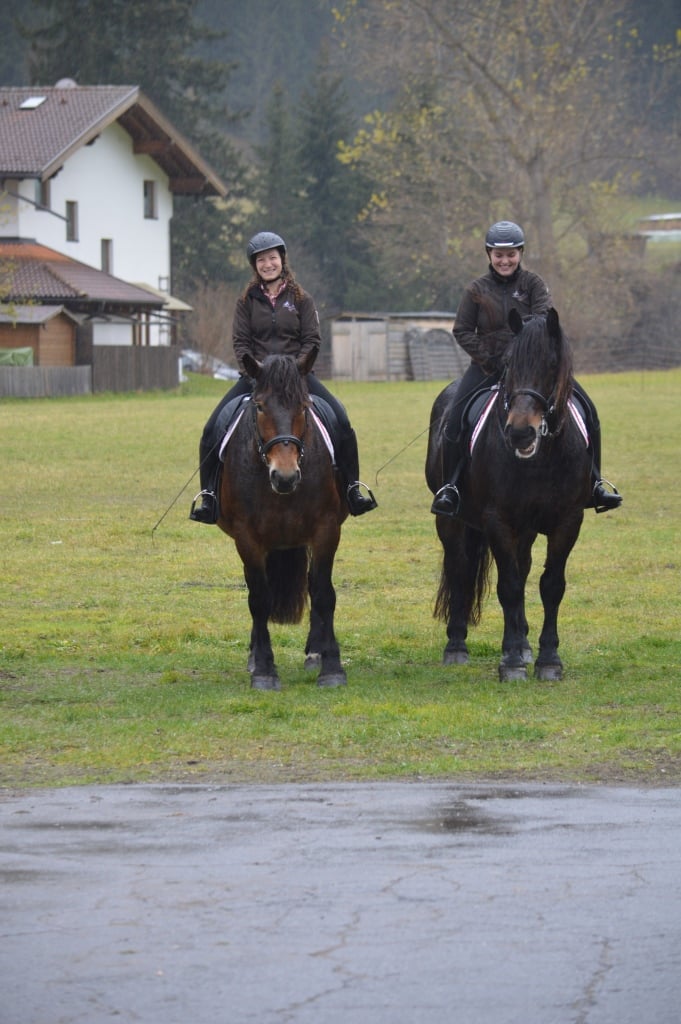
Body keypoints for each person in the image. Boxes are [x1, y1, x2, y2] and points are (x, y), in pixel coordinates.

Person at [431, 220, 622, 517]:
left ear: (520, 253)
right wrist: (491, 359)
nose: (505, 260)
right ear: (489, 254)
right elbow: (462, 330)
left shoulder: (534, 284)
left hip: (532, 369)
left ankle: (595, 482)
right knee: (455, 420)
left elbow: (543, 322)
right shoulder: (476, 289)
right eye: (498, 255)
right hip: (487, 367)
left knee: (589, 412)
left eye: (511, 254)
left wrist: (520, 356)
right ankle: (451, 487)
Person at [190, 231, 377, 523]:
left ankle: (353, 489)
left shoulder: (302, 298)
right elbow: (241, 343)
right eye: (261, 260)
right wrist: (257, 371)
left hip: (297, 377)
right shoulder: (246, 302)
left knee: (341, 421)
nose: (268, 264)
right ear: (255, 266)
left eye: (272, 258)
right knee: (211, 428)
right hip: (257, 379)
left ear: (282, 260)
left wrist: (294, 370)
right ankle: (209, 497)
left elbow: (312, 340)